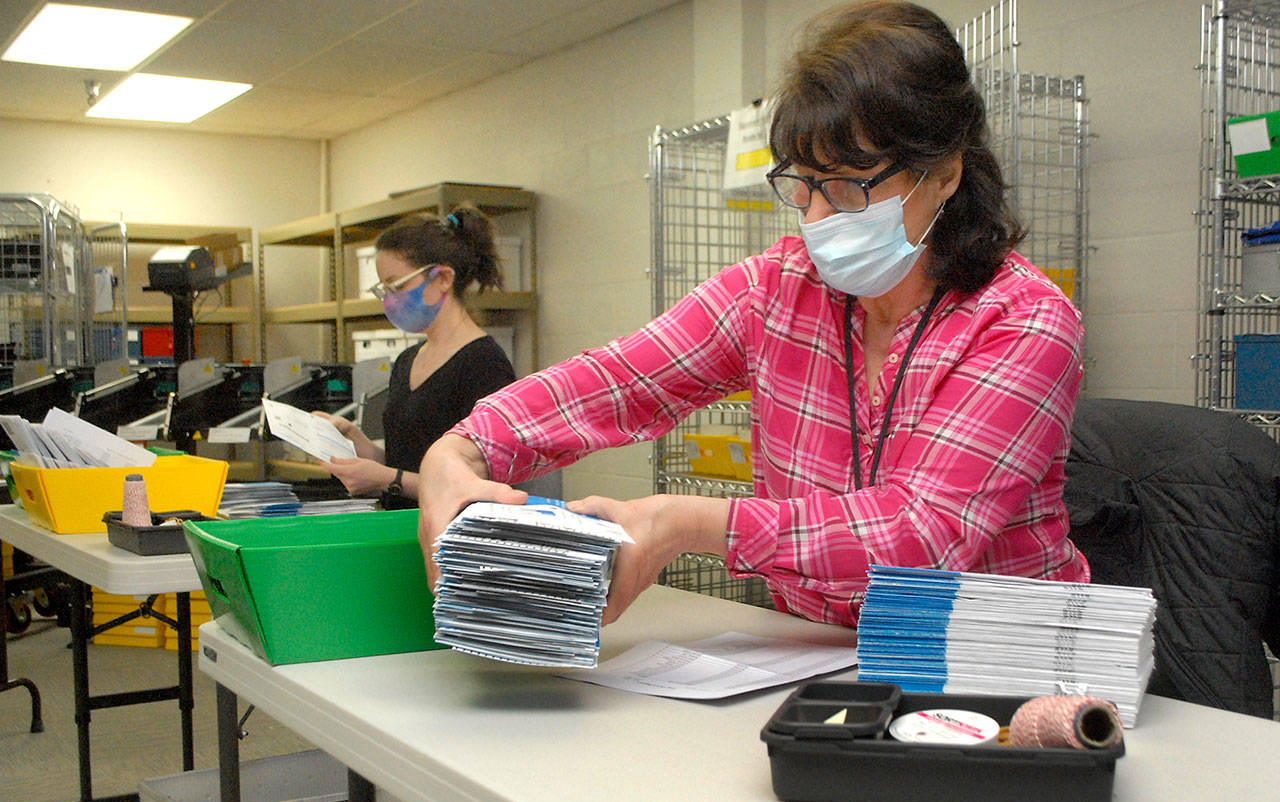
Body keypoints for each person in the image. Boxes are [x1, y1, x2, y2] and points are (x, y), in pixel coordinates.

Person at [418, 0, 1090, 627]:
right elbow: (623, 378)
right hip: (817, 658)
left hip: (996, 669)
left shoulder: (1024, 322)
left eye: (849, 187)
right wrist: (464, 445)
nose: (818, 219)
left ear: (943, 171)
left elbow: (918, 534)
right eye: (803, 185)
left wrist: (682, 523)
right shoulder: (779, 289)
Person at [316, 207, 515, 509]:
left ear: (443, 278)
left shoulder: (484, 364)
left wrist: (386, 479)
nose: (389, 300)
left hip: (450, 542)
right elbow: (405, 463)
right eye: (383, 289)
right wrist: (356, 441)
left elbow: (481, 487)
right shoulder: (408, 360)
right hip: (403, 530)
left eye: (397, 286)